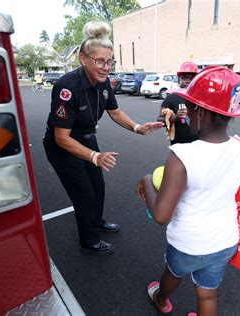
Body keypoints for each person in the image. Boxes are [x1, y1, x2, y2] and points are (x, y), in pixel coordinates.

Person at [43, 21, 162, 255]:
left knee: (98, 187)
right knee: (84, 193)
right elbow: (61, 137)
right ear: (83, 58)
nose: (106, 67)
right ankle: (89, 241)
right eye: (99, 61)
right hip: (63, 146)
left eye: (109, 62)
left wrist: (138, 128)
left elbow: (115, 111)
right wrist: (95, 156)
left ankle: (95, 222)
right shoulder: (66, 87)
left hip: (87, 139)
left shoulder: (103, 81)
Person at [136, 67, 240, 315]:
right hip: (225, 239)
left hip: (189, 241)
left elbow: (161, 215)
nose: (185, 113)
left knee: (173, 272)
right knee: (207, 293)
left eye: (189, 107)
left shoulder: (182, 155)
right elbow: (238, 186)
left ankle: (161, 299)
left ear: (203, 114)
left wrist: (146, 180)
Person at [157, 61, 199, 144]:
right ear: (179, 79)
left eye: (191, 78)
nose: (188, 81)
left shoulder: (201, 97)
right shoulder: (172, 97)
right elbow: (160, 120)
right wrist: (176, 117)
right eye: (185, 78)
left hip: (199, 144)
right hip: (178, 145)